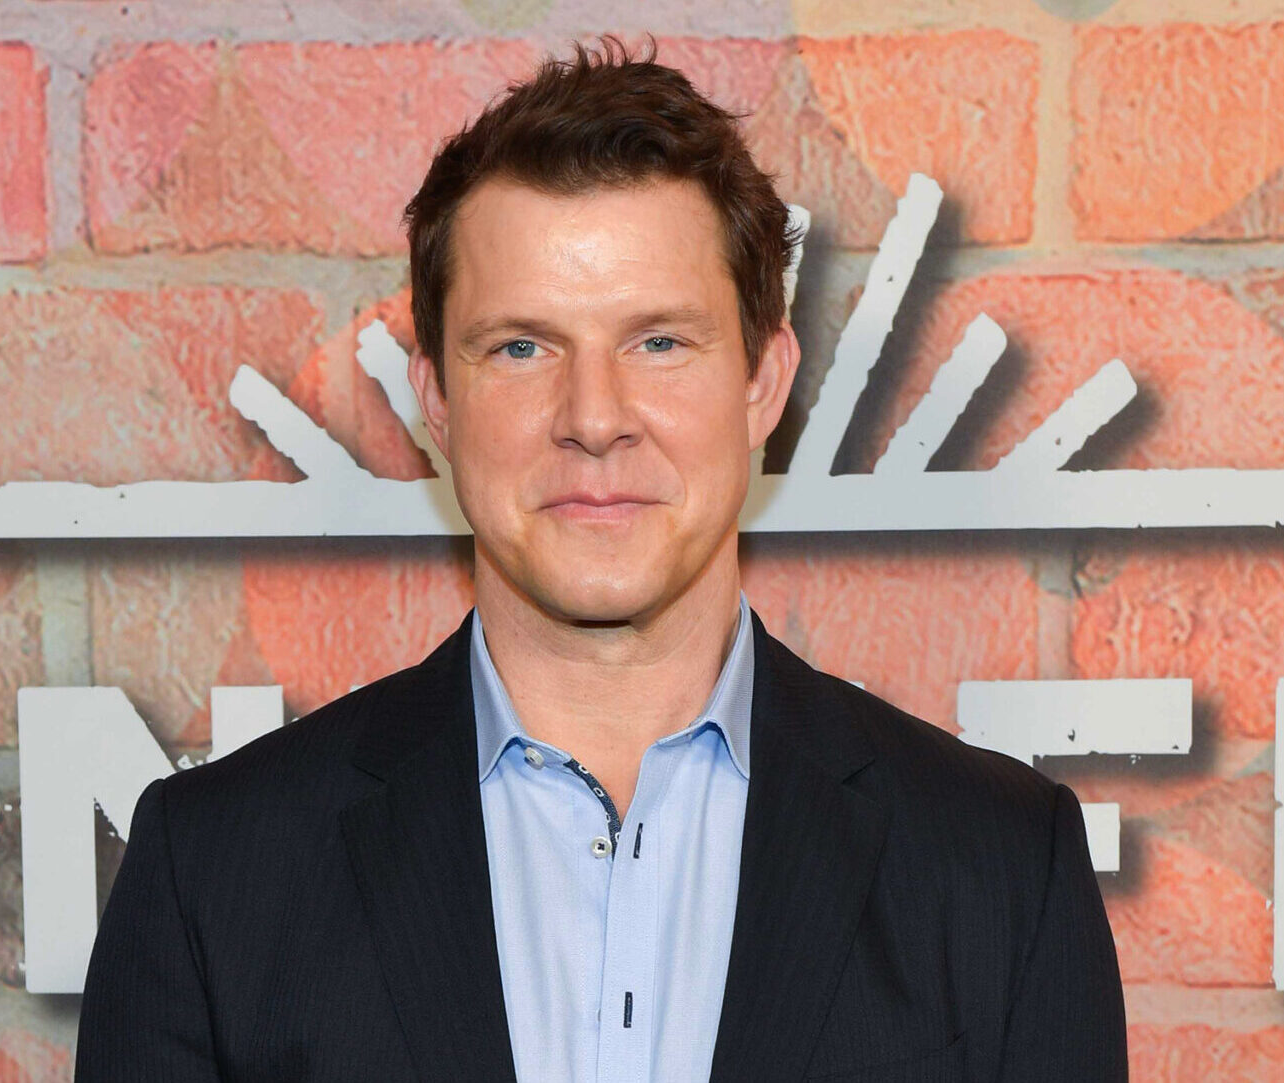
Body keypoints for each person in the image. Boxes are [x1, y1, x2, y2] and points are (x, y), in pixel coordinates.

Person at [74, 37, 1126, 1082]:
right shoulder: (211, 872)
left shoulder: (995, 867)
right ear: (434, 396)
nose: (593, 418)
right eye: (521, 347)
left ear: (764, 382)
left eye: (658, 342)